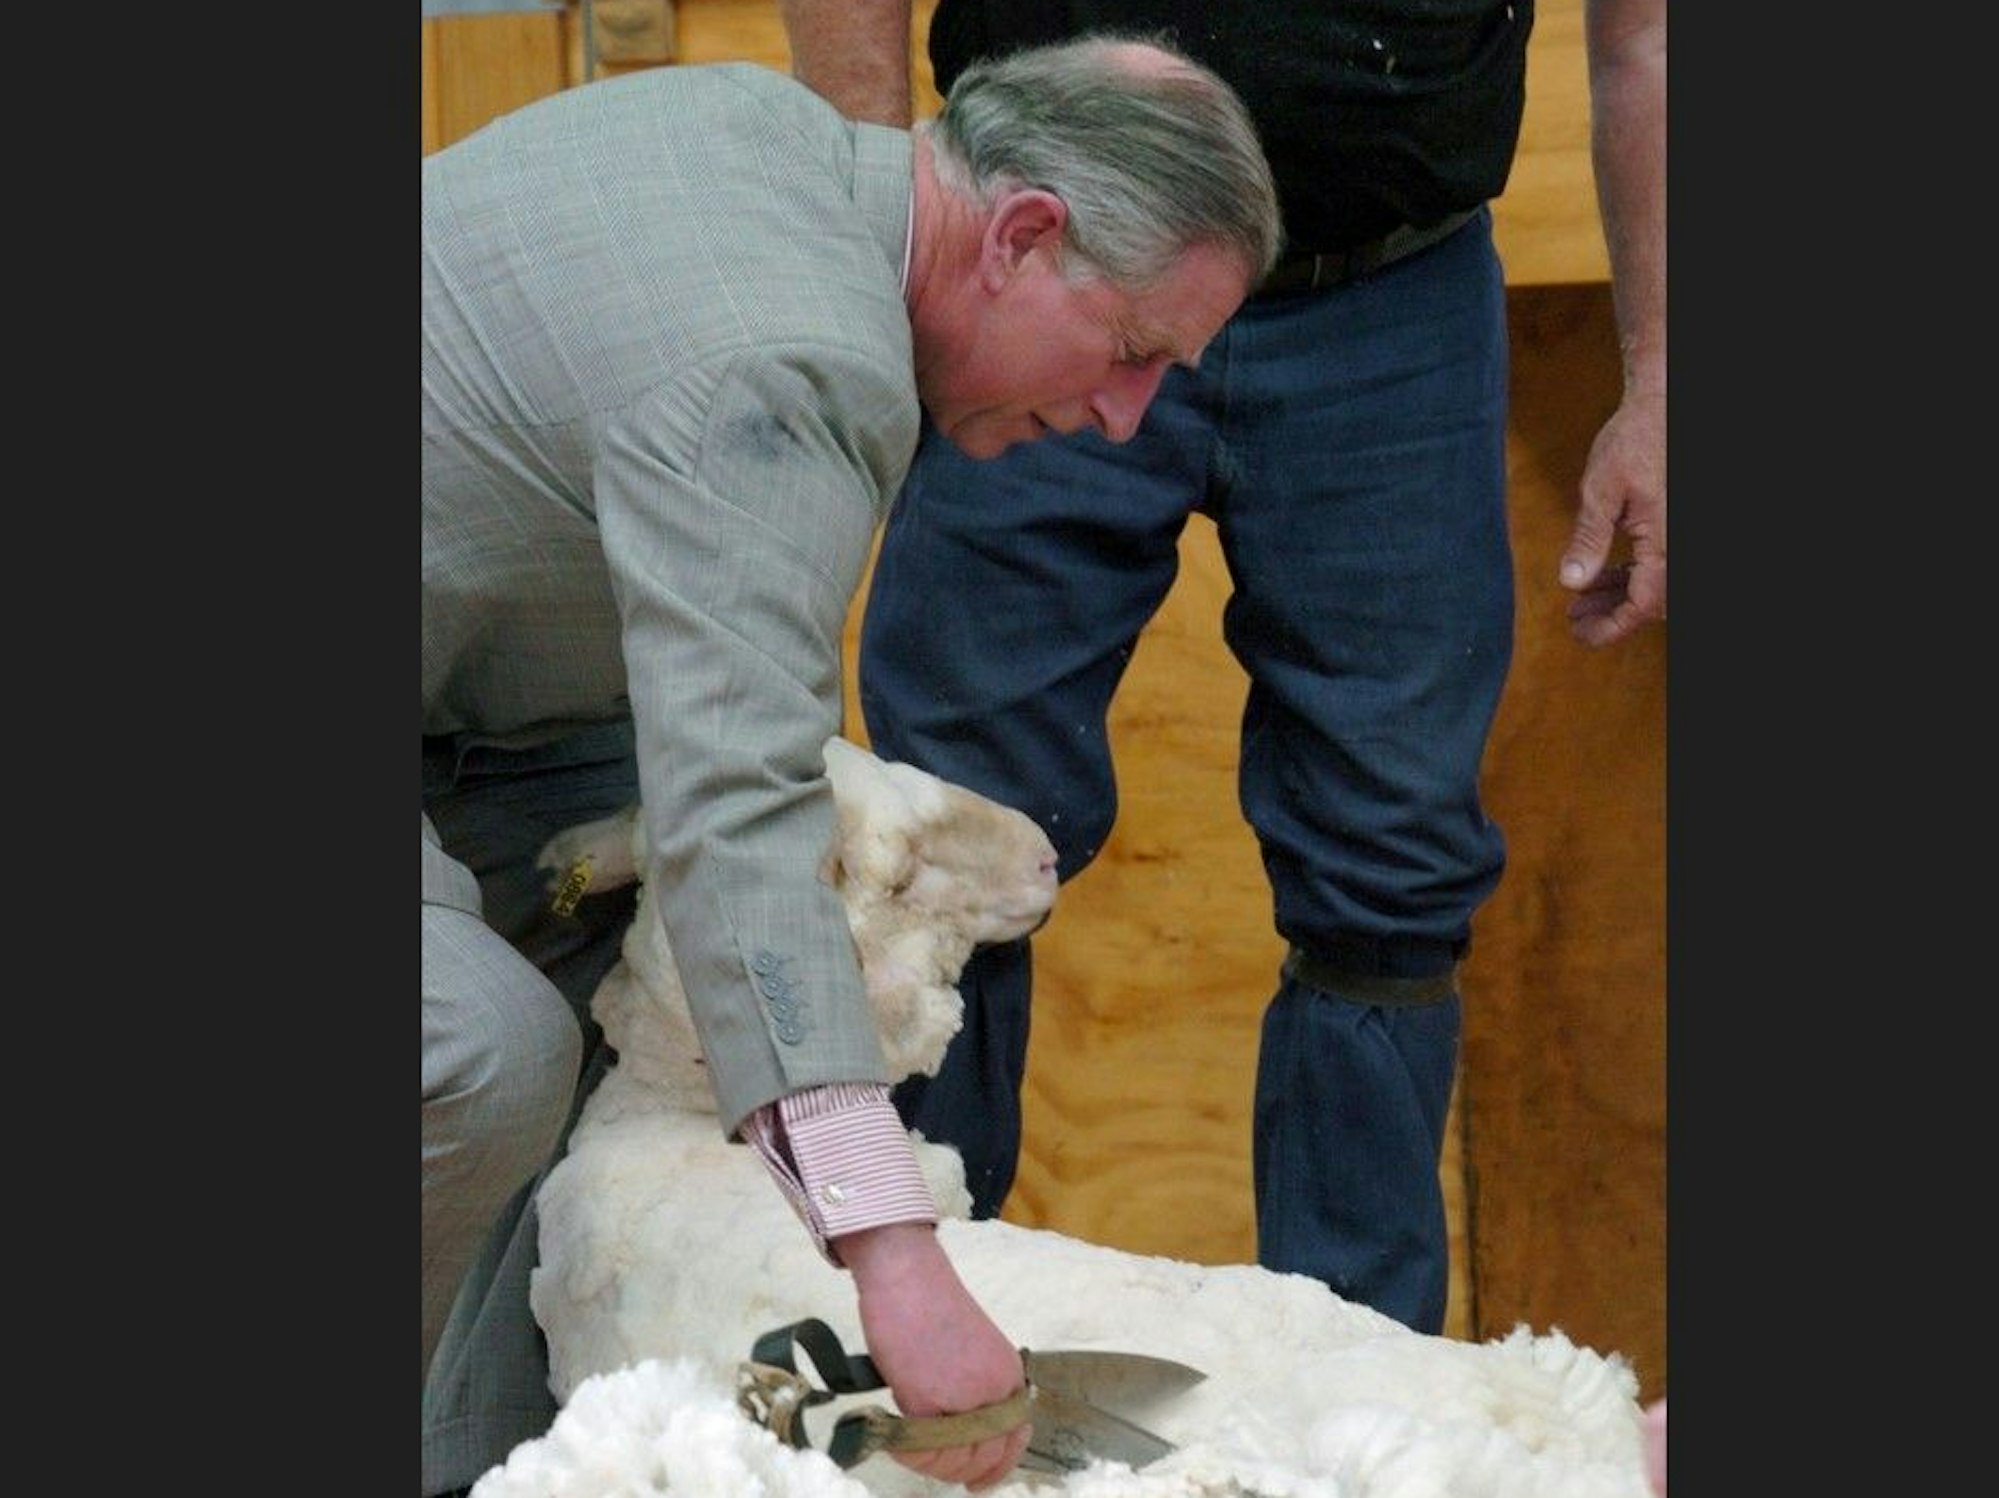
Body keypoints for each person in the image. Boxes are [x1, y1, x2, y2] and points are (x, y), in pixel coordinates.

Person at [422, 36, 1281, 1497]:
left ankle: (479, 1464)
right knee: (482, 1047)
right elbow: (735, 811)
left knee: (653, 1002)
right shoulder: (797, 349)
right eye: (1134, 351)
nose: (1127, 419)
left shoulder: (780, 140)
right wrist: (894, 1258)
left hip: (481, 681)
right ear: (1021, 235)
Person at [780, 0, 1666, 1335]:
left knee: (1393, 870)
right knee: (935, 836)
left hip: (1391, 291)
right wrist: (878, 245)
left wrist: (1666, 368)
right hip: (1050, 248)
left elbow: (1650, 33)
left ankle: (1362, 1400)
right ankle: (900, 1348)